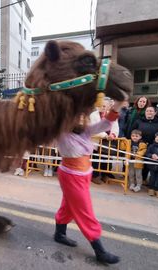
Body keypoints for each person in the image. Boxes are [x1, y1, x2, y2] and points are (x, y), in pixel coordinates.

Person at [53, 101, 123, 265]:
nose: (81, 118)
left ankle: (59, 234)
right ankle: (100, 251)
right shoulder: (61, 132)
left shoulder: (85, 131)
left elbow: (106, 123)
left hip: (84, 174)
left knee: (69, 206)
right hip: (71, 176)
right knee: (85, 211)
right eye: (77, 116)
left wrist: (118, 106)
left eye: (82, 116)